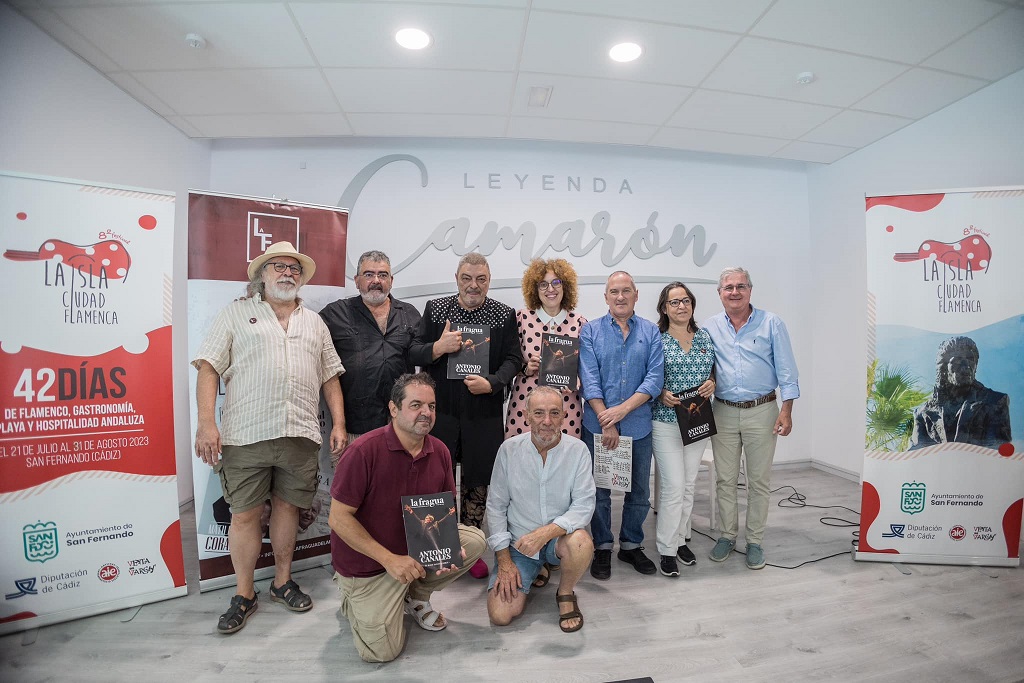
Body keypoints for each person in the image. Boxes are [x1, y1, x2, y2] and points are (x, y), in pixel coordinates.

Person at [192, 241, 347, 634]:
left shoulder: (315, 323)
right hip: (246, 433)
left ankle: (282, 582)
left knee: (288, 509)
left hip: (300, 432)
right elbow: (209, 368)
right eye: (278, 266)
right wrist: (206, 423)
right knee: (244, 514)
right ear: (262, 274)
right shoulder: (235, 313)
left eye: (294, 268)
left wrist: (340, 424)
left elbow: (330, 376)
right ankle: (244, 594)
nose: (287, 273)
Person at [329, 373, 486, 663]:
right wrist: (389, 560)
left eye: (432, 406)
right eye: (416, 405)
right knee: (381, 653)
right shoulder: (362, 451)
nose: (426, 412)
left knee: (474, 541)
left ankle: (414, 595)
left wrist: (448, 545)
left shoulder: (440, 451)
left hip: (414, 551)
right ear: (394, 408)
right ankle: (352, 596)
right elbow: (338, 519)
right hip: (369, 565)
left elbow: (442, 512)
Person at [409, 253, 524, 578]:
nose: (474, 285)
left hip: (482, 413)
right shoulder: (436, 309)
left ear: (489, 281)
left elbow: (514, 359)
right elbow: (413, 350)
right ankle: (439, 549)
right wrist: (438, 347)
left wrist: (493, 382)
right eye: (467, 278)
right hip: (441, 412)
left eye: (481, 279)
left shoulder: (503, 314)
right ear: (457, 279)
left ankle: (470, 551)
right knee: (437, 479)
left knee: (478, 483)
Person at [703, 267, 799, 570]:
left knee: (758, 480)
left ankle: (754, 541)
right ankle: (727, 536)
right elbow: (706, 368)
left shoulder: (772, 323)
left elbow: (787, 371)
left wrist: (787, 410)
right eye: (728, 287)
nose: (734, 292)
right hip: (723, 411)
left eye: (740, 286)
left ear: (750, 290)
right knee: (725, 479)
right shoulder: (709, 327)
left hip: (762, 410)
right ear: (719, 293)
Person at [486, 386, 596, 633]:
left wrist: (545, 534)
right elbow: (496, 507)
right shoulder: (508, 450)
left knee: (581, 542)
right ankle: (539, 566)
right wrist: (504, 561)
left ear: (564, 416)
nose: (547, 421)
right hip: (520, 545)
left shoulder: (578, 450)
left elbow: (584, 505)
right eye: (539, 413)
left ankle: (565, 592)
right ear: (526, 416)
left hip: (558, 540)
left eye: (554, 413)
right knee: (500, 615)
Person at [579, 271, 664, 579]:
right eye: (614, 291)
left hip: (639, 425)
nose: (620, 296)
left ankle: (630, 545)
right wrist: (607, 420)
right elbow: (589, 379)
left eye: (626, 290)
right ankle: (602, 545)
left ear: (636, 295)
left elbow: (654, 379)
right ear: (606, 297)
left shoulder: (651, 331)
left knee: (639, 491)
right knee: (599, 491)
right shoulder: (590, 331)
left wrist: (621, 411)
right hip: (598, 426)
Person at [320, 250, 421, 468]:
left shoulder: (410, 314)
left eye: (382, 275)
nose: (376, 281)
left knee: (397, 485)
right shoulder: (335, 314)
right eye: (369, 274)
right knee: (351, 487)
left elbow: (425, 358)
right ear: (357, 281)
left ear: (391, 280)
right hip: (353, 429)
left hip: (400, 428)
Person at [651, 282, 716, 577]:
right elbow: (647, 375)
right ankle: (666, 549)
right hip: (666, 421)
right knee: (674, 486)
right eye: (674, 302)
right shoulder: (656, 338)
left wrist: (712, 382)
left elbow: (713, 370)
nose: (681, 306)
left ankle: (679, 540)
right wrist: (660, 392)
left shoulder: (704, 337)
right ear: (664, 308)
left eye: (685, 300)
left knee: (689, 485)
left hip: (697, 420)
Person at [505, 258, 588, 439]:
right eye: (543, 284)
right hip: (525, 404)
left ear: (565, 286)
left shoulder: (579, 322)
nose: (550, 289)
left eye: (556, 282)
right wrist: (526, 368)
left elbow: (587, 368)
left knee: (566, 454)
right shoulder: (521, 319)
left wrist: (577, 380)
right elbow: (507, 361)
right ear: (535, 289)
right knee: (522, 453)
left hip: (567, 405)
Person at [910, 336, 1011, 450]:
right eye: (957, 360)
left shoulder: (994, 401)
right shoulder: (923, 413)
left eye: (970, 359)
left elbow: (996, 449)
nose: (966, 366)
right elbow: (917, 452)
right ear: (943, 369)